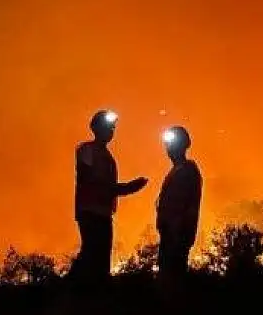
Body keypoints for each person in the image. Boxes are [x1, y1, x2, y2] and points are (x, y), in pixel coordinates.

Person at [70, 109, 148, 287]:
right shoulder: (86, 149)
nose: (111, 131)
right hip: (90, 210)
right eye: (108, 127)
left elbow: (104, 185)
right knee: (92, 251)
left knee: (100, 254)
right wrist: (125, 188)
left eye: (112, 128)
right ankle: (75, 288)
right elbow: (88, 177)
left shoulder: (108, 157)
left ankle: (93, 291)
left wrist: (125, 188)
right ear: (95, 128)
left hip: (103, 212)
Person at [155, 125, 203, 298]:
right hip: (170, 233)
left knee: (173, 279)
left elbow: (187, 206)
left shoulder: (188, 170)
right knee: (169, 277)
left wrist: (180, 231)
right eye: (167, 145)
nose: (168, 149)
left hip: (177, 234)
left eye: (172, 144)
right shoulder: (177, 171)